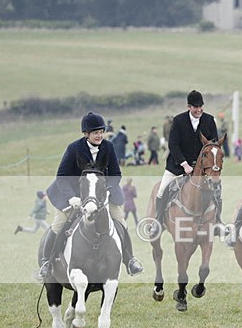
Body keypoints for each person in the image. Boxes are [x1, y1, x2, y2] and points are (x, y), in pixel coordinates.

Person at [38, 112, 143, 279]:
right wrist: (72, 198)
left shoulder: (108, 147)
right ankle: (47, 262)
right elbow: (62, 176)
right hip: (75, 195)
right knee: (59, 224)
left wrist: (108, 190)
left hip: (103, 194)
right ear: (86, 134)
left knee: (121, 223)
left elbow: (116, 174)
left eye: (101, 131)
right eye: (95, 133)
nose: (99, 135)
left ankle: (130, 260)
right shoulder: (74, 149)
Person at [147, 90, 223, 239]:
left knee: (217, 189)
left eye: (201, 106)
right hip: (177, 165)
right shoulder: (179, 120)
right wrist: (185, 164)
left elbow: (213, 143)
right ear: (189, 107)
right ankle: (157, 221)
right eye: (196, 107)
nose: (199, 110)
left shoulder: (209, 120)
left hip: (202, 168)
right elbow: (173, 144)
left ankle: (218, 222)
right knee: (162, 189)